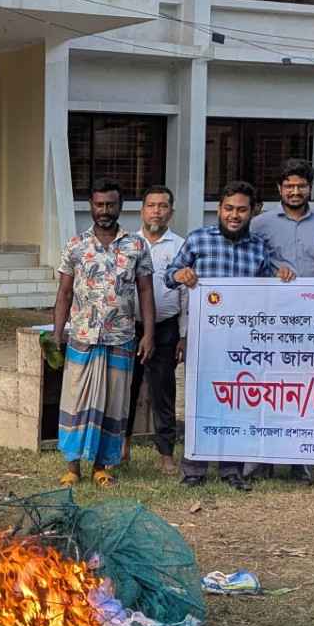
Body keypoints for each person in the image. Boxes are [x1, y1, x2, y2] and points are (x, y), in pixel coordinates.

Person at [166, 180, 296, 491]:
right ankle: (194, 470)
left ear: (253, 212)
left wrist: (283, 276)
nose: (234, 215)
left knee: (238, 402)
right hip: (204, 341)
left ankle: (232, 469)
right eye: (228, 209)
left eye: (241, 209)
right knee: (201, 403)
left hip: (243, 344)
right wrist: (179, 274)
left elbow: (269, 292)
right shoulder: (199, 240)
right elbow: (169, 275)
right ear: (218, 209)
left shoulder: (259, 249)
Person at [52, 179, 156, 488]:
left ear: (121, 206)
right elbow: (64, 293)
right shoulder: (75, 245)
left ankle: (101, 466)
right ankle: (72, 468)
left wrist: (148, 333)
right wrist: (58, 332)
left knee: (113, 403)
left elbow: (146, 291)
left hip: (121, 337)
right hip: (83, 336)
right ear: (91, 207)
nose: (105, 211)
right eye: (99, 205)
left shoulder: (136, 245)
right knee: (75, 401)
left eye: (111, 205)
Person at [247, 158, 314, 484]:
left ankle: (300, 459)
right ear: (279, 189)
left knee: (304, 390)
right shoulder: (261, 224)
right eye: (289, 186)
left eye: (301, 185)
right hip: (271, 318)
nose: (295, 191)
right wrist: (273, 271)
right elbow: (252, 265)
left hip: (311, 321)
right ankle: (261, 459)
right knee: (267, 387)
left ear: (310, 188)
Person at [130, 186, 187, 476]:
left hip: (166, 329)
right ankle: (121, 448)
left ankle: (166, 453)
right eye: (151, 205)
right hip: (129, 328)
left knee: (163, 391)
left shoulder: (180, 246)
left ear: (171, 212)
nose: (156, 211)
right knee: (125, 390)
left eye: (163, 206)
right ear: (142, 210)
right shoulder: (128, 244)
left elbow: (187, 293)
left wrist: (184, 334)